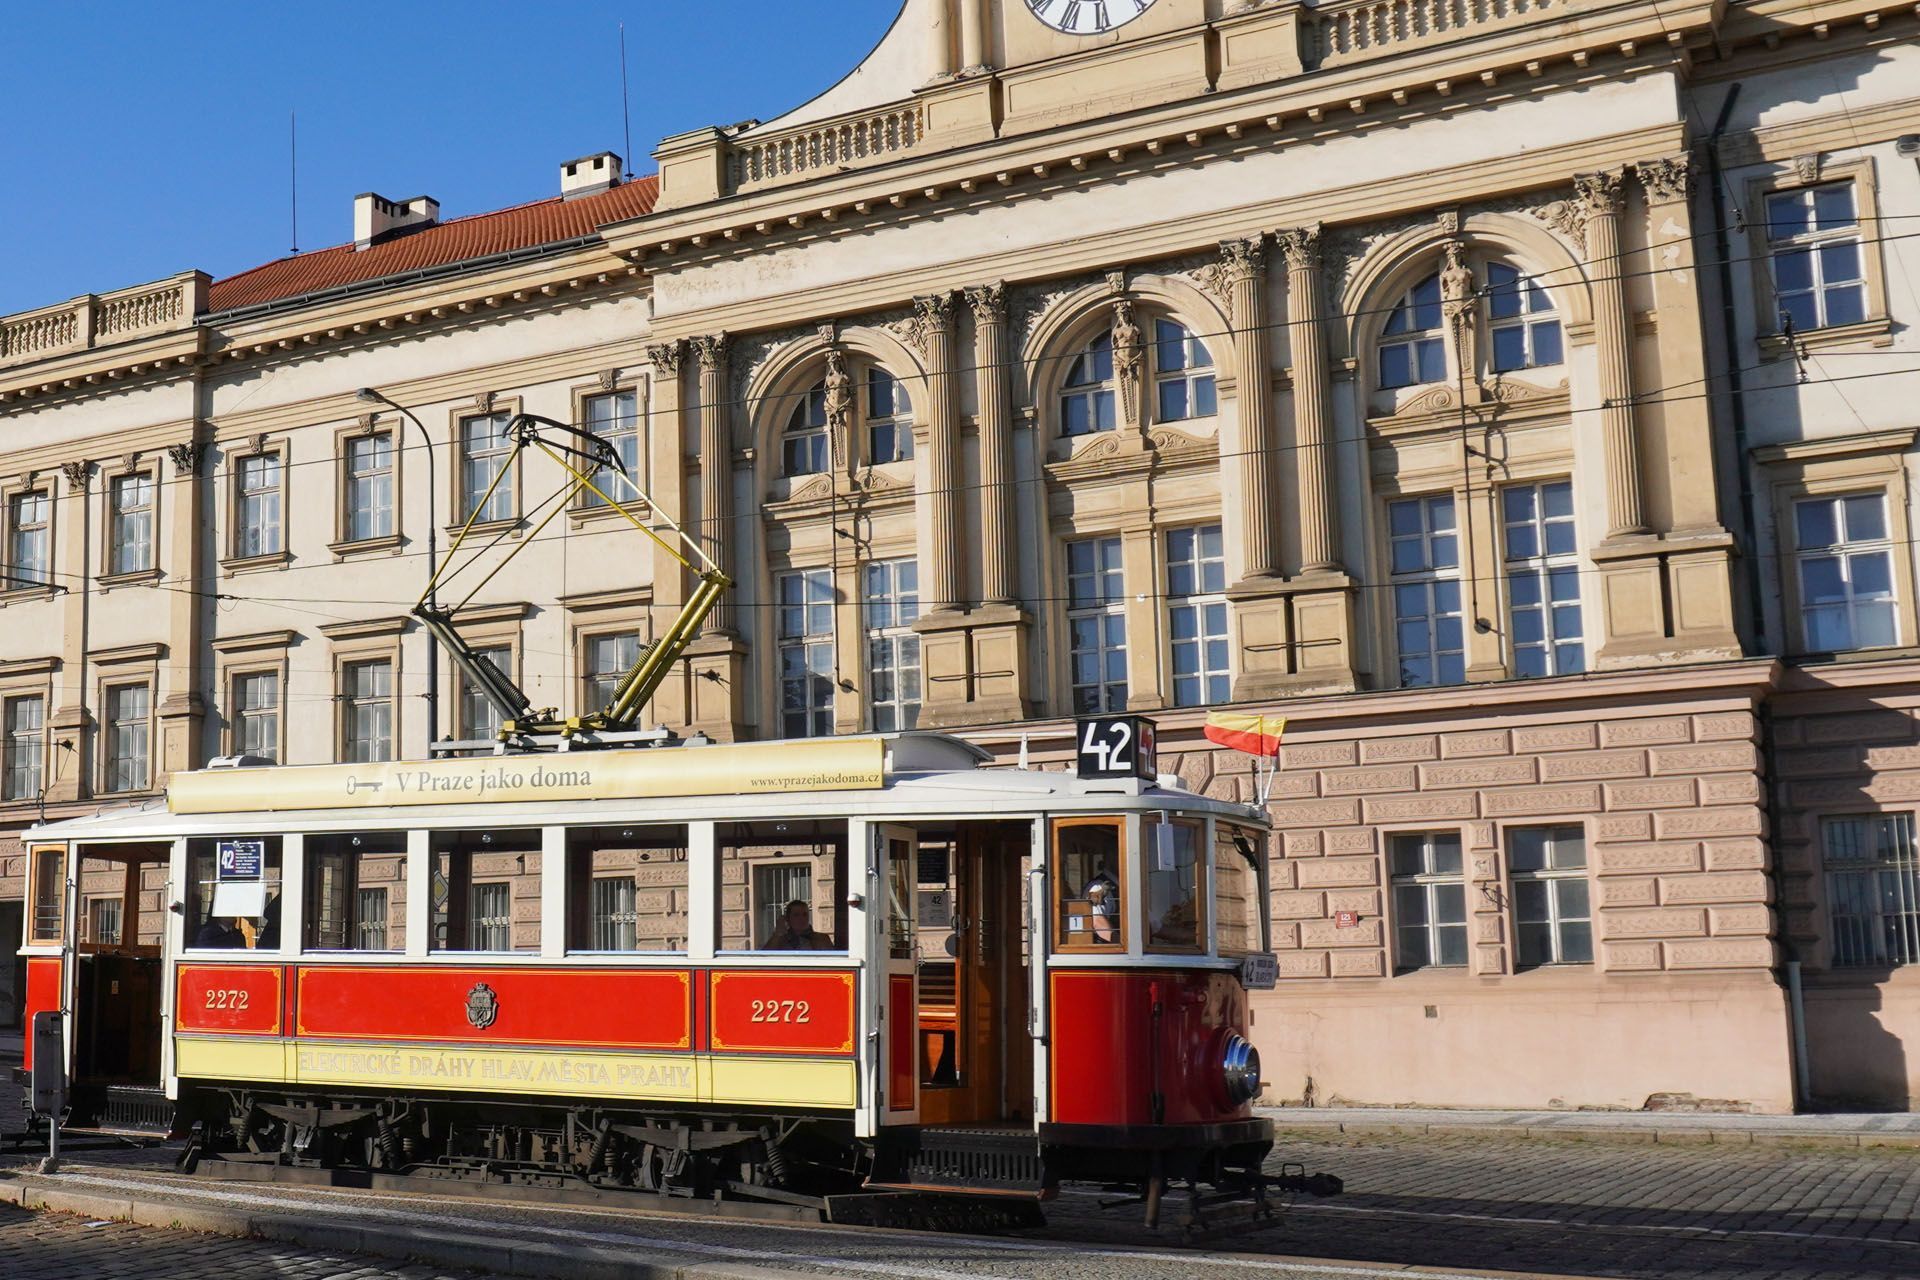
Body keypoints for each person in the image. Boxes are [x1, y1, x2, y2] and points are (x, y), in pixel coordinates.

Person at [762, 900, 836, 951]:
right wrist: (777, 934)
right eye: (796, 915)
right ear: (788, 919)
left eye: (805, 914)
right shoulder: (781, 940)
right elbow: (764, 958)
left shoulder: (822, 939)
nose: (802, 919)